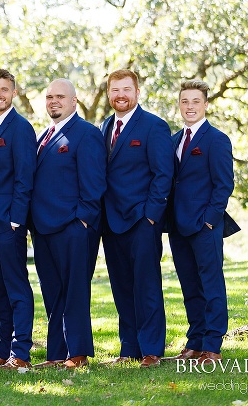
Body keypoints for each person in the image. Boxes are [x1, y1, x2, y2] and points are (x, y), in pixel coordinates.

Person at [29, 79, 106, 369]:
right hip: (44, 229)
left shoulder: (86, 134)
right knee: (53, 292)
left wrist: (82, 221)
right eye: (49, 97)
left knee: (74, 291)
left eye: (60, 96)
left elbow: (94, 182)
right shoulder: (44, 135)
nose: (53, 101)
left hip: (74, 228)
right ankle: (56, 354)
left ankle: (78, 353)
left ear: (74, 101)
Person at [100, 69, 174, 368]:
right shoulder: (104, 126)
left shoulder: (154, 126)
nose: (121, 95)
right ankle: (129, 348)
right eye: (115, 90)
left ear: (137, 92)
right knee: (121, 286)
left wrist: (151, 218)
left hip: (142, 221)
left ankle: (152, 350)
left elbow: (163, 174)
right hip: (111, 221)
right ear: (108, 94)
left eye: (126, 89)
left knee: (146, 286)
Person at [165, 80, 234, 365]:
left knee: (211, 285)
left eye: (195, 101)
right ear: (179, 105)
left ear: (205, 104)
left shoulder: (216, 139)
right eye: (185, 101)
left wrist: (209, 221)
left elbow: (224, 185)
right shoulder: (173, 140)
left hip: (205, 226)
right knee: (190, 285)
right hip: (178, 227)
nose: (189, 106)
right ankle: (195, 340)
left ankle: (212, 346)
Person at [0, 69, 36, 369]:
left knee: (16, 288)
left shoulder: (21, 128)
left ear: (13, 92)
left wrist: (17, 219)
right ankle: (3, 350)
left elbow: (25, 177)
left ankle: (21, 352)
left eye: (4, 89)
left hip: (8, 224)